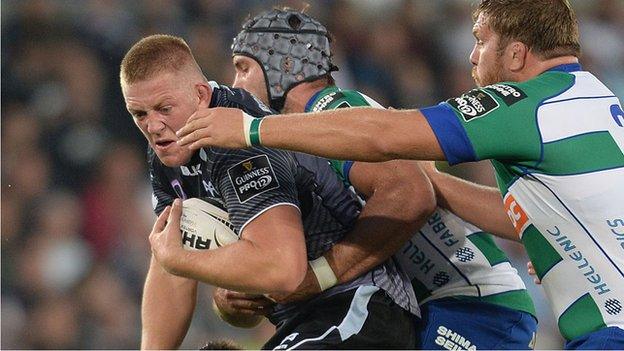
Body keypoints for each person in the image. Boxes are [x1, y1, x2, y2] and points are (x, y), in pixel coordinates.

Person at [176, 1, 624, 348]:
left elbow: (388, 145)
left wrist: (252, 129)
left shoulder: (524, 105)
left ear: (516, 53)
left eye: (480, 40)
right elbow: (522, 214)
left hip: (486, 309)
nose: (471, 55)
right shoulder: (593, 101)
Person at [120, 34, 420, 350]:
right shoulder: (167, 154)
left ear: (200, 95)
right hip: (302, 322)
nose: (153, 126)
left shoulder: (238, 144)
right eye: (140, 114)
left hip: (362, 308)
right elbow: (171, 273)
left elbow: (283, 269)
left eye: (163, 108)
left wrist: (181, 261)